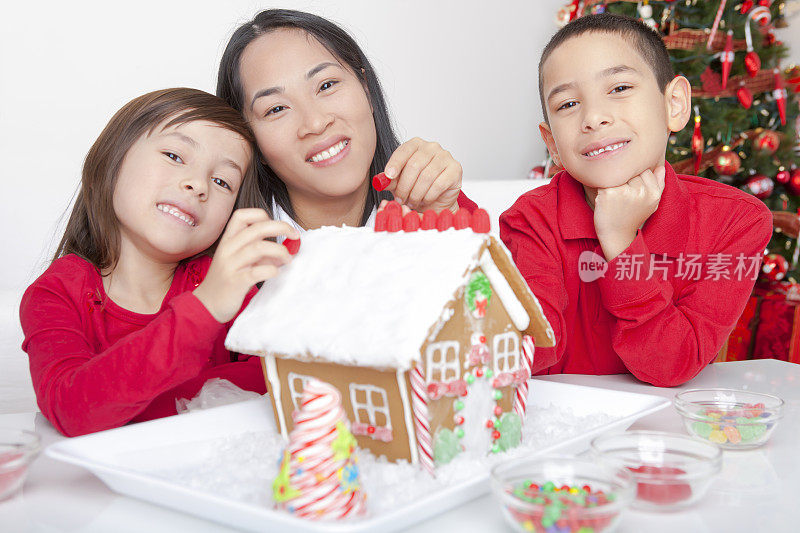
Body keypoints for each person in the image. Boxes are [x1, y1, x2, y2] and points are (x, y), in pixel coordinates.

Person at [500, 14, 772, 387]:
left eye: (619, 87)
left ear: (673, 105)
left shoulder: (737, 220)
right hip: (562, 435)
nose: (594, 118)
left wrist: (621, 243)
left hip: (669, 436)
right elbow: (526, 355)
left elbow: (673, 364)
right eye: (567, 105)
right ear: (553, 145)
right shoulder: (532, 219)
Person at [20, 88, 299, 436]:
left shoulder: (222, 281)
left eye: (221, 181)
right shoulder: (56, 294)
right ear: (111, 159)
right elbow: (72, 407)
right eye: (174, 155)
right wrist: (206, 308)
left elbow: (279, 379)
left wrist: (125, 403)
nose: (198, 185)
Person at [216, 8, 477, 234]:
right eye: (275, 109)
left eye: (327, 85)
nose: (315, 123)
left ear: (366, 89)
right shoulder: (224, 262)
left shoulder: (442, 208)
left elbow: (495, 290)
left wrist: (446, 223)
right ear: (250, 141)